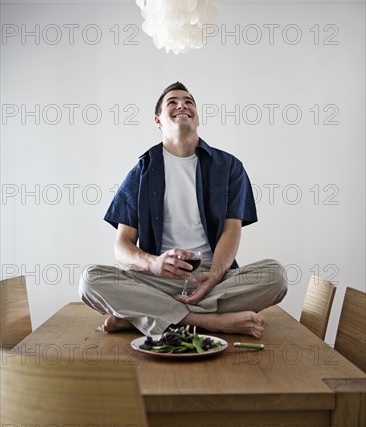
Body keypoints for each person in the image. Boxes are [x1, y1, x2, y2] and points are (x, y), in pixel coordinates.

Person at [79, 82, 287, 338]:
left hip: (215, 280)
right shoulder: (140, 172)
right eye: (172, 102)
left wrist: (214, 275)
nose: (182, 105)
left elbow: (232, 231)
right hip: (157, 281)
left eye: (189, 102)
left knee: (275, 275)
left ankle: (144, 317)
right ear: (158, 121)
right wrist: (153, 263)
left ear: (197, 116)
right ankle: (209, 322)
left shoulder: (229, 166)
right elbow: (122, 245)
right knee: (90, 279)